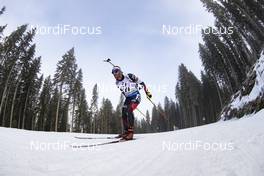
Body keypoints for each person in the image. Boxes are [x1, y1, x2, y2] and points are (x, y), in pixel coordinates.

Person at [111, 66, 152, 140]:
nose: (114, 74)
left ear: (120, 71)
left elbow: (142, 83)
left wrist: (147, 93)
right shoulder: (117, 83)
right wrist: (126, 97)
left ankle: (131, 132)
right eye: (113, 73)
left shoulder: (129, 76)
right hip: (128, 98)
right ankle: (126, 131)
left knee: (129, 110)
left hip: (136, 96)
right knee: (123, 112)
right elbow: (123, 91)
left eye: (116, 71)